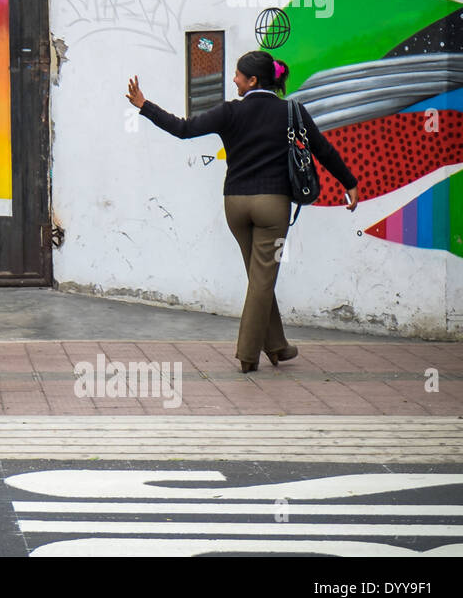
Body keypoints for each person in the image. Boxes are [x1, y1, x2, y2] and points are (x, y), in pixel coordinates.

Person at [126, 50, 361, 372]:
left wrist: (145, 106)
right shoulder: (292, 111)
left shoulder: (229, 112)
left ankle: (278, 347)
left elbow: (183, 129)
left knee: (258, 277)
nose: (233, 80)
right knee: (263, 278)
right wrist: (348, 182)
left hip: (235, 204)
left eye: (237, 75)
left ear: (252, 80)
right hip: (272, 207)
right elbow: (322, 149)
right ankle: (248, 355)